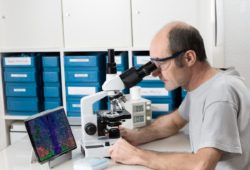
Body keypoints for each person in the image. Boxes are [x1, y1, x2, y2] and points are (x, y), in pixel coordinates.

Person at [108, 21, 250, 170]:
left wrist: (137, 155)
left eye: (161, 65)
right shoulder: (203, 87)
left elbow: (202, 165)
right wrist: (137, 136)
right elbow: (174, 122)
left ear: (189, 58)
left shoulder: (220, 93)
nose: (155, 74)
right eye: (153, 65)